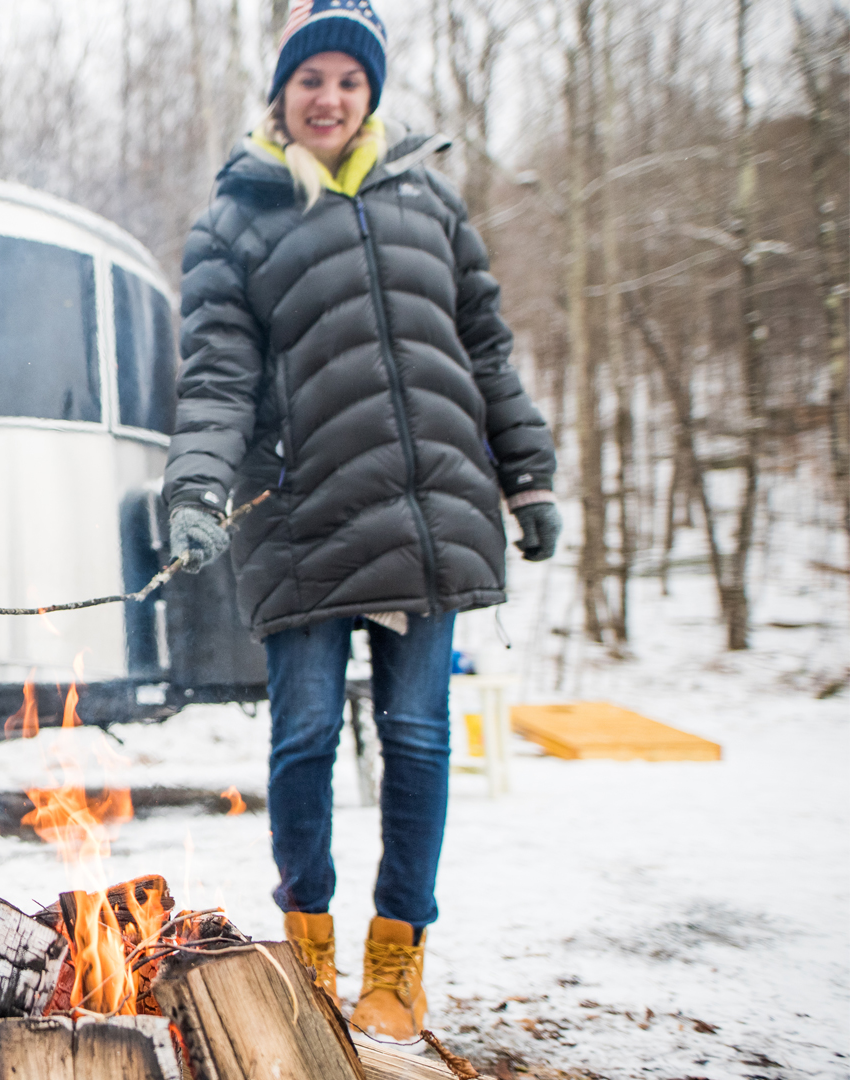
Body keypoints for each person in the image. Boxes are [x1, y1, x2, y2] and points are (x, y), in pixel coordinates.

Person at [161, 0, 561, 1044]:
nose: (328, 97)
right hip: (300, 516)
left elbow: (483, 347)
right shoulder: (236, 222)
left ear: (369, 93)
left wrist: (529, 477)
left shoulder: (428, 199)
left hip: (429, 510)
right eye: (310, 80)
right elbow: (214, 378)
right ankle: (305, 949)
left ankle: (399, 958)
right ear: (281, 95)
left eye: (347, 79)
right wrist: (198, 490)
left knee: (418, 739)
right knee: (300, 740)